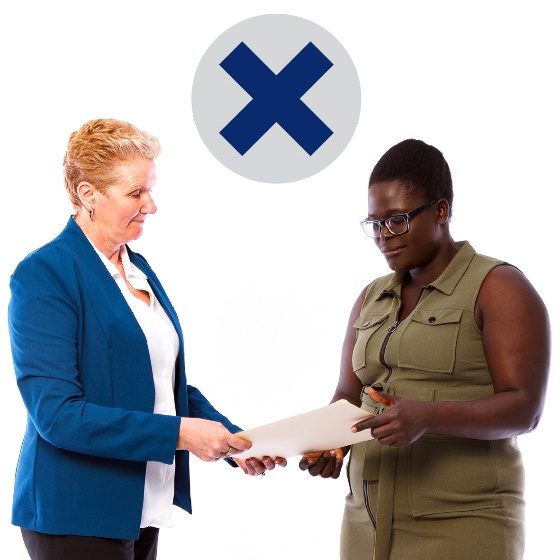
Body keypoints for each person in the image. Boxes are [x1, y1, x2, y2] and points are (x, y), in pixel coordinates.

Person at [8, 118, 286, 560]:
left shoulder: (137, 270)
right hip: (77, 514)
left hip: (139, 509)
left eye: (150, 190)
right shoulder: (45, 274)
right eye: (136, 193)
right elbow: (57, 415)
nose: (151, 205)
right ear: (88, 195)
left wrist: (236, 440)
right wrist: (181, 434)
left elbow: (162, 382)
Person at [299, 139, 550, 560]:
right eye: (374, 223)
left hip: (463, 523)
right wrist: (329, 443)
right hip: (366, 522)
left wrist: (427, 417)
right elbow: (348, 393)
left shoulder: (500, 288)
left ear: (440, 211)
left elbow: (525, 410)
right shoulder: (371, 297)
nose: (383, 237)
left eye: (396, 220)